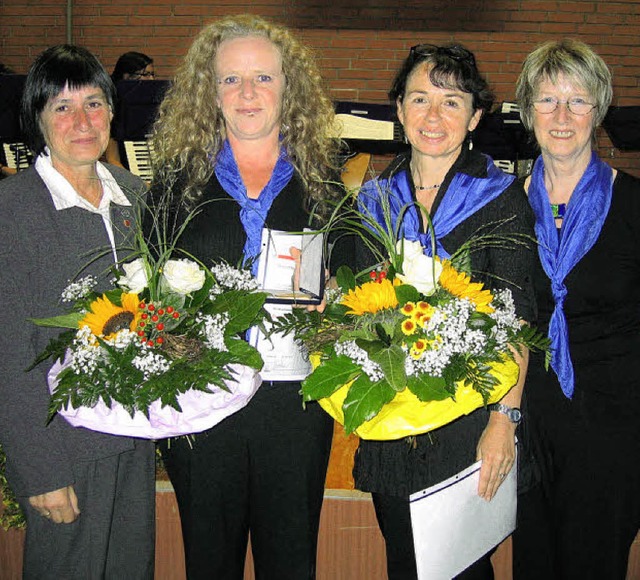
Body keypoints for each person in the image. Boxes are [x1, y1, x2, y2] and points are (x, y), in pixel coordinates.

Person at [149, 14, 340, 579]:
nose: (248, 93)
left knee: (290, 562)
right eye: (230, 80)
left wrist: (337, 296)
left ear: (290, 89)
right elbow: (148, 292)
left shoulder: (325, 182)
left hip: (293, 408)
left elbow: (355, 282)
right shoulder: (174, 186)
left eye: (264, 77)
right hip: (201, 401)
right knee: (210, 561)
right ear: (209, 93)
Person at [352, 44, 536, 580]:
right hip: (391, 417)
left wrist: (506, 417)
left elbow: (516, 314)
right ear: (400, 111)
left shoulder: (500, 198)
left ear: (475, 116)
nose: (433, 116)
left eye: (451, 102)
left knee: (463, 566)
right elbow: (354, 308)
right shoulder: (372, 199)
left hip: (468, 415)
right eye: (420, 99)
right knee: (404, 564)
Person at [0, 45, 155, 579]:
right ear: (37, 120)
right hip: (62, 444)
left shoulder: (136, 196)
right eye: (62, 108)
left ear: (113, 111)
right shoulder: (12, 209)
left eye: (93, 103)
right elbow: (8, 354)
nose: (82, 121)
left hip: (133, 437)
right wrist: (40, 470)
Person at [512, 38, 640, 580]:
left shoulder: (635, 204)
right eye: (547, 100)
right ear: (527, 112)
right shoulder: (503, 208)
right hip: (528, 420)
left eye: (578, 100)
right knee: (534, 563)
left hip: (614, 424)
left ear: (599, 109)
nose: (561, 116)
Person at [105, 51, 155, 168]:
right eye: (146, 74)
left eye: (152, 74)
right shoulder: (112, 107)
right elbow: (113, 160)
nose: (151, 79)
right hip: (125, 173)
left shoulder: (153, 104)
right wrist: (137, 183)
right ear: (127, 77)